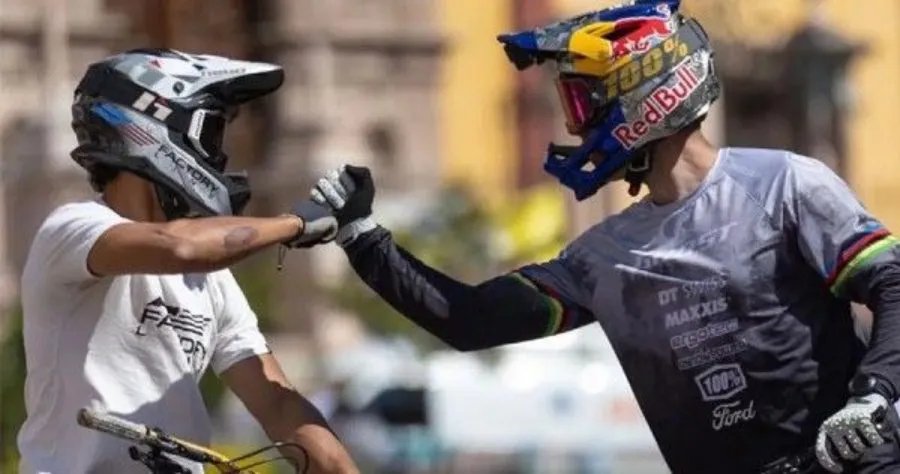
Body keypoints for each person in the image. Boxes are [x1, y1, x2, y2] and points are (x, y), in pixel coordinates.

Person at [303, 1, 900, 473]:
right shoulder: (601, 257)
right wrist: (364, 237)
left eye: (585, 101)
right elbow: (471, 320)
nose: (575, 123)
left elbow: (893, 284)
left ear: (644, 93)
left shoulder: (783, 183)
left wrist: (875, 394)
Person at [16, 48, 359, 474]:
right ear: (154, 126)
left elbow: (276, 403)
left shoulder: (210, 282)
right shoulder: (71, 228)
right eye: (212, 133)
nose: (220, 154)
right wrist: (296, 224)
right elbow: (181, 247)